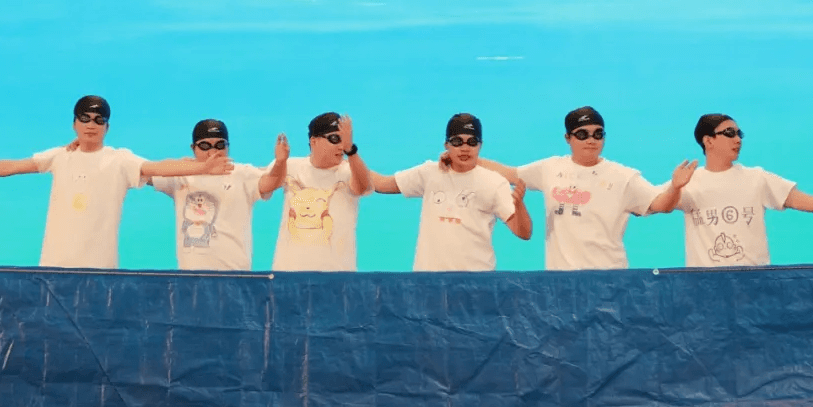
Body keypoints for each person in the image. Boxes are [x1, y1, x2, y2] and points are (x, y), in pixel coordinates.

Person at [0, 95, 232, 269]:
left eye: (99, 120)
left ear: (107, 127)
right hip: (53, 269)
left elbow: (160, 167)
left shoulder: (120, 160)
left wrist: (202, 167)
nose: (91, 125)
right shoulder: (60, 156)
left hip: (101, 273)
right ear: (74, 124)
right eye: (85, 118)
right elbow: (10, 167)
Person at [468, 107, 695, 270]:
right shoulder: (551, 168)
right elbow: (510, 173)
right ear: (568, 138)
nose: (591, 140)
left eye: (598, 134)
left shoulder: (623, 177)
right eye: (583, 134)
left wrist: (675, 188)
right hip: (561, 282)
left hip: (610, 280)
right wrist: (464, 158)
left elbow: (661, 205)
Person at [677, 113, 813, 267]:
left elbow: (809, 203)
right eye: (729, 133)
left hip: (753, 284)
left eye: (739, 134)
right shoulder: (688, 181)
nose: (737, 140)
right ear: (708, 141)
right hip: (704, 287)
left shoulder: (757, 178)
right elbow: (657, 205)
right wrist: (676, 186)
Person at [372, 113, 532, 271]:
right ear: (446, 145)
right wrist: (355, 160)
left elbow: (524, 233)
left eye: (472, 142)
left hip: (476, 281)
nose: (465, 148)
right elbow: (381, 184)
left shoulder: (494, 183)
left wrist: (519, 206)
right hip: (428, 281)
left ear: (480, 145)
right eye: (457, 142)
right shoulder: (429, 173)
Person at [149, 119, 288, 271]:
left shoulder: (241, 174)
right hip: (191, 275)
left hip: (235, 273)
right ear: (193, 148)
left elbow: (272, 182)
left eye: (220, 145)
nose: (213, 151)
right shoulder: (182, 176)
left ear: (228, 146)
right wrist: (191, 166)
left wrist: (280, 162)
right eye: (205, 146)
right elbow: (145, 172)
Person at [272, 112, 372, 271]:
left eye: (345, 140)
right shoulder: (290, 166)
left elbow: (362, 187)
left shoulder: (349, 171)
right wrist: (279, 162)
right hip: (289, 272)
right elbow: (263, 185)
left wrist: (351, 151)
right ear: (314, 141)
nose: (341, 146)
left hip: (337, 275)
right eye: (335, 139)